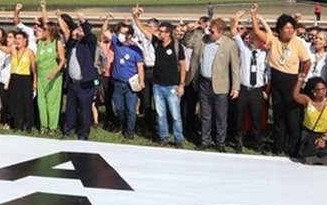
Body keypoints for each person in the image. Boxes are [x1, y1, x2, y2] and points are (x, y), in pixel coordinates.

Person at [250, 3, 312, 155]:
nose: (290, 30)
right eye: (286, 27)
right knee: (279, 115)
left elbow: (307, 62)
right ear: (280, 29)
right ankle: (279, 146)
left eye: (292, 27)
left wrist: (301, 78)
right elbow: (258, 32)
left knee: (293, 116)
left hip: (292, 81)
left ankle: (294, 147)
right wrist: (253, 15)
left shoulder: (298, 43)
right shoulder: (274, 40)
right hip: (277, 81)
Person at [188, 17, 240, 151]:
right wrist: (194, 78)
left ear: (221, 32)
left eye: (213, 31)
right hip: (204, 82)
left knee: (221, 116)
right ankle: (205, 141)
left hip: (221, 84)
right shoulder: (203, 41)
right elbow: (195, 59)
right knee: (205, 114)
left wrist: (236, 87)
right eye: (209, 30)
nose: (210, 33)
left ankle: (220, 142)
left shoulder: (230, 44)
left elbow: (235, 67)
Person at [136, 12, 186, 148]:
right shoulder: (156, 43)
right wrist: (136, 18)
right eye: (159, 31)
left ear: (169, 33)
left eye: (163, 32)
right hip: (157, 85)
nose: (160, 33)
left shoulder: (177, 47)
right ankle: (163, 137)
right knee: (161, 114)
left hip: (172, 87)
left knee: (175, 115)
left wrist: (181, 84)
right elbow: (143, 30)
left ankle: (178, 139)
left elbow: (182, 65)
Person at [230, 10, 269, 152]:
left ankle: (258, 142)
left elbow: (267, 74)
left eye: (255, 37)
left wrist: (266, 90)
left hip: (257, 90)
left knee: (256, 118)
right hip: (243, 89)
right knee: (239, 117)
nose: (251, 39)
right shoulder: (244, 49)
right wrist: (235, 19)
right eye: (250, 36)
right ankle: (238, 142)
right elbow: (234, 32)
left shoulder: (265, 54)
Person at [57, 12, 98, 140]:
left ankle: (84, 134)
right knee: (70, 109)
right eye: (77, 30)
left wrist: (82, 20)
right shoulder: (73, 43)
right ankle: (68, 130)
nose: (78, 31)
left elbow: (88, 33)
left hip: (85, 84)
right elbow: (65, 31)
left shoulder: (89, 43)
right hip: (73, 83)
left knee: (85, 110)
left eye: (81, 30)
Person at [103, 16, 145, 140]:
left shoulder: (136, 50)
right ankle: (122, 125)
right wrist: (106, 20)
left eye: (125, 33)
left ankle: (130, 132)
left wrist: (141, 82)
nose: (122, 35)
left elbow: (140, 68)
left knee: (131, 110)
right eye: (120, 32)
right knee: (119, 108)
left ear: (130, 35)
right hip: (117, 83)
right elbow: (105, 31)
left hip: (130, 84)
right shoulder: (116, 43)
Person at [292, 77, 327, 166]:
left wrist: (323, 138)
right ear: (314, 91)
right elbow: (295, 96)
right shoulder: (307, 101)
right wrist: (299, 81)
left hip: (325, 134)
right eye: (319, 90)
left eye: (324, 89)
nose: (323, 91)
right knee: (307, 158)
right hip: (309, 135)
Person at [34, 20, 65, 133]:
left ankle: (52, 127)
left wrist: (55, 71)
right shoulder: (40, 43)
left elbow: (62, 60)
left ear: (51, 31)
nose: (42, 31)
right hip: (41, 77)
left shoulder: (57, 43)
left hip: (53, 77)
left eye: (45, 29)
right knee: (41, 102)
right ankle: (43, 125)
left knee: (52, 102)